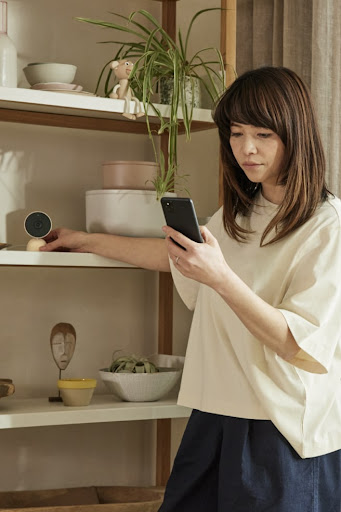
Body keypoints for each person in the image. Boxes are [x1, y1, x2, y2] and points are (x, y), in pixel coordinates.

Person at [40, 66, 341, 511]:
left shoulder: (326, 227)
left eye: (263, 134)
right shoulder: (241, 213)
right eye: (236, 134)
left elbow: (297, 343)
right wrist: (85, 240)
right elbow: (175, 256)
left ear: (295, 135)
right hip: (215, 413)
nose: (247, 148)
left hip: (280, 429)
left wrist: (221, 277)